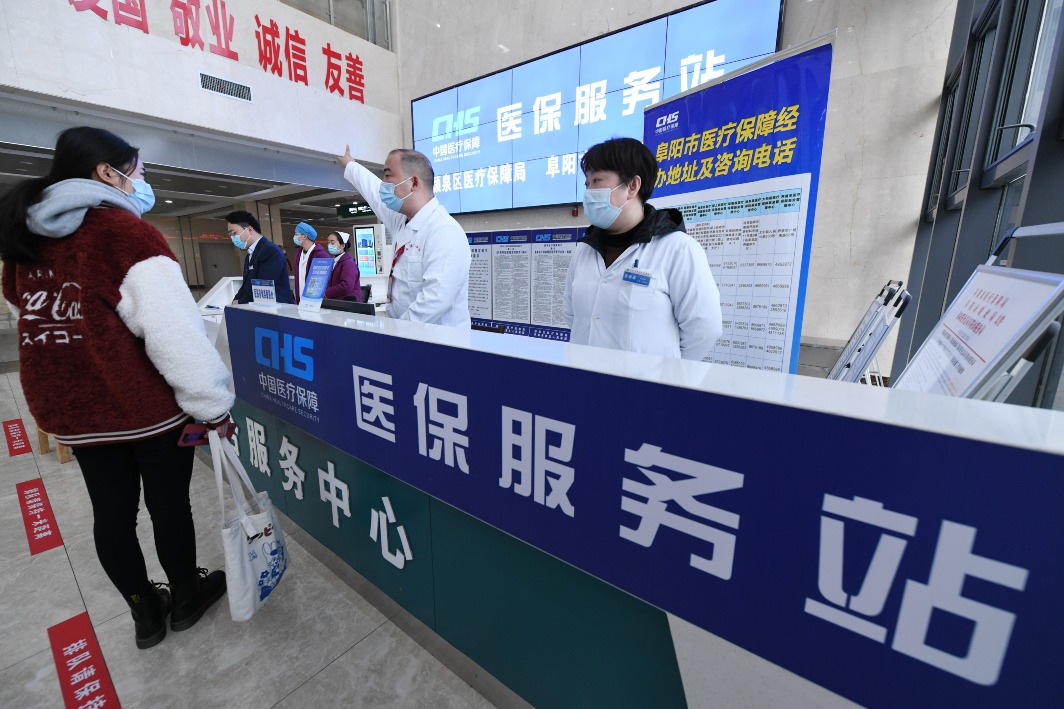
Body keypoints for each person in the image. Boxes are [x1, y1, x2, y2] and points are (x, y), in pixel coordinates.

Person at [0, 126, 232, 649]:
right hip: (144, 408)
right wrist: (213, 406)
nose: (142, 182)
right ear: (108, 173)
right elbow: (175, 334)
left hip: (76, 412)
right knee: (169, 506)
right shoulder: (124, 235)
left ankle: (145, 612)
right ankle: (186, 594)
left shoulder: (23, 239)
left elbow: (27, 315)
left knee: (112, 515)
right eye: (138, 172)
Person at [563, 137, 722, 360]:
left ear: (632, 186)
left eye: (597, 180)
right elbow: (571, 315)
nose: (589, 192)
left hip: (646, 381)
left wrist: (667, 373)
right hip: (583, 376)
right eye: (587, 184)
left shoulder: (678, 249)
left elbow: (703, 330)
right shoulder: (584, 250)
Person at [338, 145, 471, 327]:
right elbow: (373, 191)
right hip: (406, 335)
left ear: (414, 182)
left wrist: (397, 331)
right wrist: (350, 165)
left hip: (436, 339)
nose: (383, 184)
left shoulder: (444, 231)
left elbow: (435, 300)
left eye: (388, 175)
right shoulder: (402, 220)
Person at [228, 210, 294, 304]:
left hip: (276, 308)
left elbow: (263, 286)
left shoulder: (270, 251)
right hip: (258, 306)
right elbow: (246, 286)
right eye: (230, 235)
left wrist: (240, 301)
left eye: (234, 233)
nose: (232, 238)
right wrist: (235, 300)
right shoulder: (250, 254)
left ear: (250, 230)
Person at [292, 221, 329, 303]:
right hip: (300, 299)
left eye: (296, 234)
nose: (294, 237)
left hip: (315, 301)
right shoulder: (298, 253)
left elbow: (325, 281)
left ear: (304, 236)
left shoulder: (321, 255)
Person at [324, 231, 362, 301]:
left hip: (347, 303)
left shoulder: (348, 263)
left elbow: (346, 285)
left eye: (332, 242)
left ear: (343, 245)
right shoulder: (335, 261)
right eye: (328, 242)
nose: (329, 245)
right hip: (336, 301)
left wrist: (326, 293)